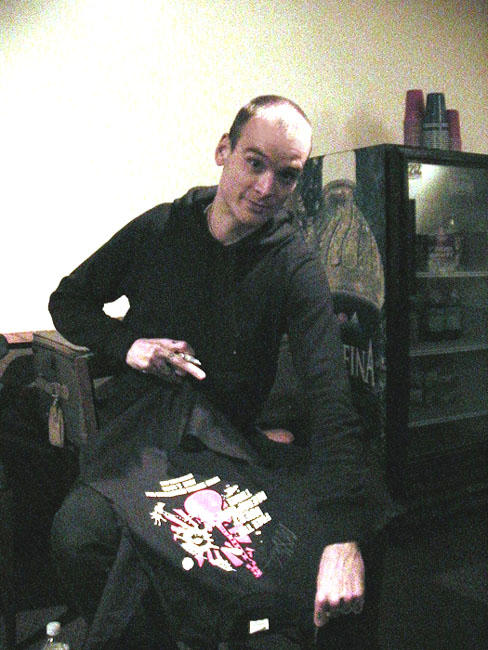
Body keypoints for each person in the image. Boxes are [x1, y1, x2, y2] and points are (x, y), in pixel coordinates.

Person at [49, 96, 386, 649]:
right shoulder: (161, 228)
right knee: (80, 535)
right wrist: (127, 344)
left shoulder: (293, 261)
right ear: (224, 150)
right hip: (143, 436)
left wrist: (343, 535)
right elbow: (68, 301)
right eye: (255, 163)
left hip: (226, 444)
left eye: (286, 175)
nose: (266, 187)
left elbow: (330, 394)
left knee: (337, 547)